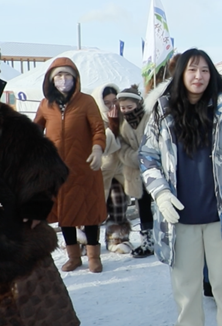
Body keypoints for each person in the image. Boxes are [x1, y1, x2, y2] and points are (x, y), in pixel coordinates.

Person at [139, 49, 222, 326]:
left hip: (221, 213)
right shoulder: (163, 112)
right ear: (181, 75)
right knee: (185, 284)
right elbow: (147, 158)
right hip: (179, 215)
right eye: (192, 70)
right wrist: (160, 193)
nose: (199, 76)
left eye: (204, 70)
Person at [0, 101, 96, 326]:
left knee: (45, 296)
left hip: (16, 227)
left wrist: (37, 203)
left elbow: (45, 163)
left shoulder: (9, 123)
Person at [34, 58, 106, 273]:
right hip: (58, 170)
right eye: (58, 76)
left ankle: (94, 257)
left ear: (75, 79)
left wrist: (97, 148)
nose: (63, 80)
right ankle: (73, 256)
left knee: (89, 212)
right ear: (51, 79)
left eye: (67, 75)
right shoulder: (46, 104)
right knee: (65, 213)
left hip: (85, 167)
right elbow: (35, 130)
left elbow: (98, 129)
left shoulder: (86, 102)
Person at [91, 83, 133, 254]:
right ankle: (85, 241)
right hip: (99, 170)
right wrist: (113, 127)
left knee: (118, 202)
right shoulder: (94, 119)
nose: (112, 106)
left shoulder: (124, 117)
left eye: (115, 101)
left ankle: (117, 237)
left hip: (119, 169)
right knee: (93, 206)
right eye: (107, 102)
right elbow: (103, 146)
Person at [115, 85, 154, 258]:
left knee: (163, 204)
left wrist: (148, 154)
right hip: (135, 171)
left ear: (138, 104)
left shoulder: (150, 117)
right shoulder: (121, 123)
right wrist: (135, 156)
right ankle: (148, 242)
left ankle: (167, 238)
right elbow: (120, 146)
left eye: (129, 107)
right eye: (123, 108)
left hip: (154, 168)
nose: (126, 111)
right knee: (143, 207)